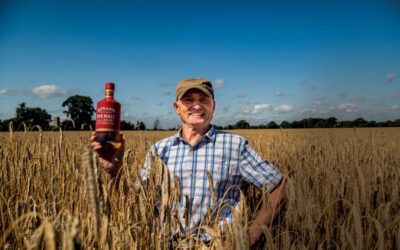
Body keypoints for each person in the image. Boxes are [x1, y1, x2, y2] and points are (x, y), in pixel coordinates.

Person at [91, 78, 286, 246]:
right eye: (188, 100)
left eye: (204, 100)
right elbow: (135, 205)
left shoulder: (235, 145)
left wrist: (249, 237)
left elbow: (278, 185)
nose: (197, 106)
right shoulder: (159, 150)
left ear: (213, 106)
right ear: (177, 107)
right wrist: (114, 171)